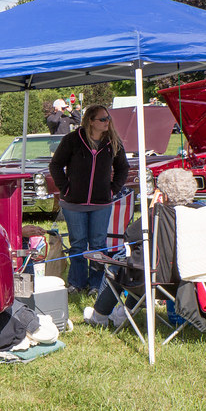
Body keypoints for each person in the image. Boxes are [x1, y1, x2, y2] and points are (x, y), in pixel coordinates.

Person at [84, 168, 198, 327]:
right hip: (192, 282)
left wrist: (153, 212)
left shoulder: (157, 214)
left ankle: (99, 317)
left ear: (163, 195)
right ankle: (122, 315)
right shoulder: (201, 213)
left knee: (118, 267)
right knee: (141, 267)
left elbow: (130, 236)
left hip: (157, 282)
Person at [49, 103, 130, 294]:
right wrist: (66, 188)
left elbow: (123, 167)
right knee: (78, 243)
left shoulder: (113, 141)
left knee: (98, 244)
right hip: (73, 203)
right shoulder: (72, 139)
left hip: (101, 203)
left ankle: (96, 284)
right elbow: (55, 165)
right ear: (91, 122)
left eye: (108, 118)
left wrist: (112, 190)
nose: (107, 122)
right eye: (102, 119)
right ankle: (76, 283)